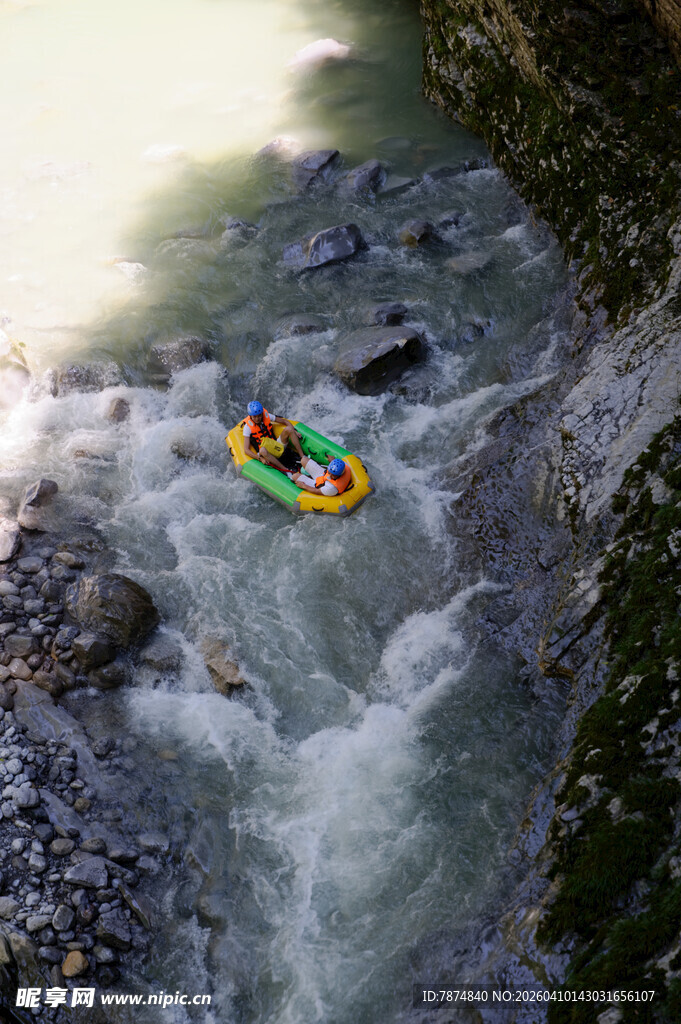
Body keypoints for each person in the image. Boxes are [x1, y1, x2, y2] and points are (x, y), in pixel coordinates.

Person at [243, 401, 305, 473]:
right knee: (262, 450)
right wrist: (260, 458)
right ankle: (285, 469)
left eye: (259, 416)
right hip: (265, 452)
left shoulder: (267, 416)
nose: (257, 419)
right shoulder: (247, 428)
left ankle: (302, 457)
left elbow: (285, 422)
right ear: (250, 416)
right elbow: (246, 450)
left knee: (289, 429)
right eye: (255, 417)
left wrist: (294, 431)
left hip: (276, 445)